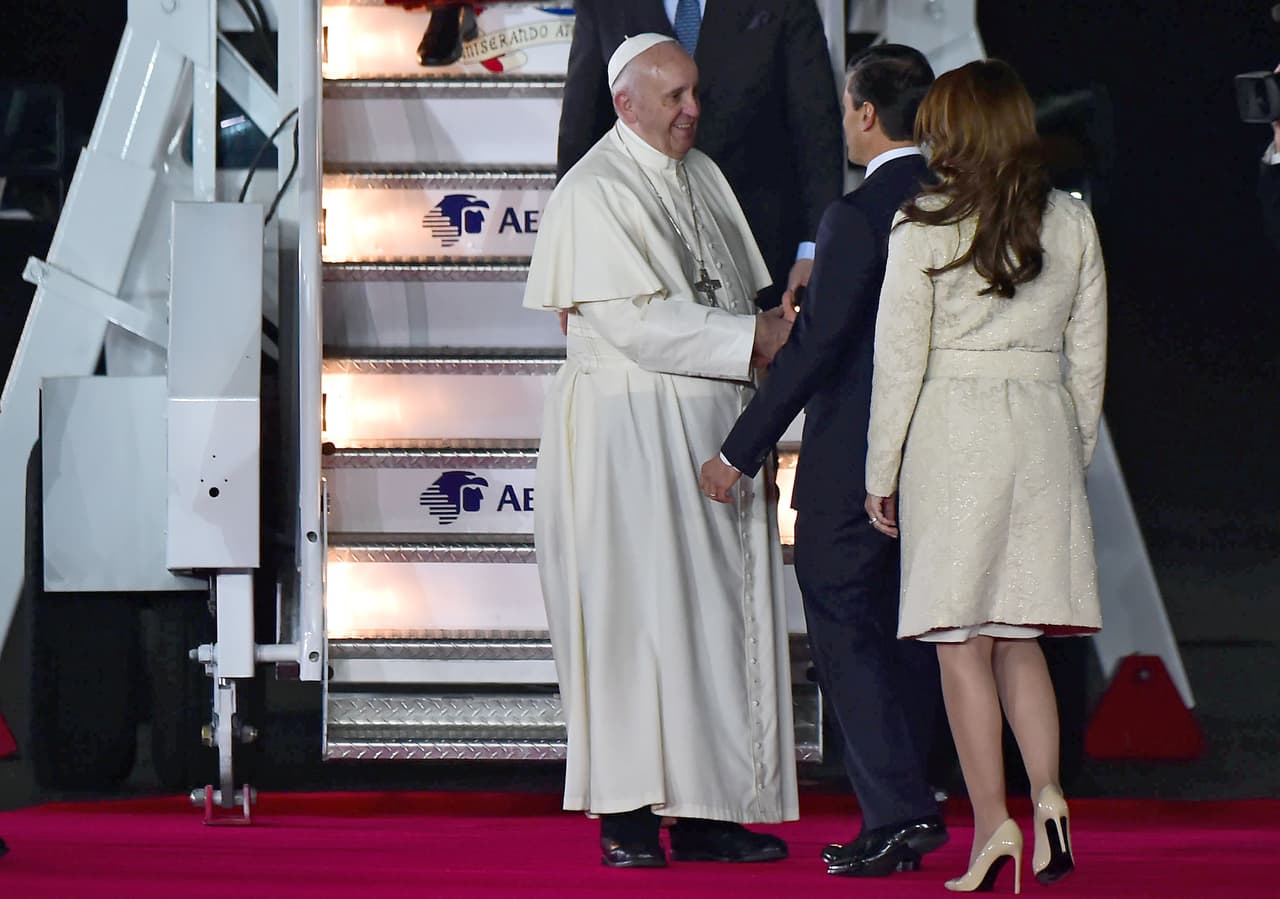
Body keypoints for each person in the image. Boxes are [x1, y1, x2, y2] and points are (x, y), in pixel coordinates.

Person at [524, 33, 797, 869]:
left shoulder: (703, 174)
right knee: (633, 622)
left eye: (694, 93)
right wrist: (753, 337)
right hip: (628, 437)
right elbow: (633, 324)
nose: (692, 110)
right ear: (625, 103)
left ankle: (711, 810)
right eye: (675, 97)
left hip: (709, 431)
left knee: (713, 625)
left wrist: (763, 331)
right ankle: (628, 817)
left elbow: (733, 285)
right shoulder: (591, 192)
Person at [699, 44, 947, 878]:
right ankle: (918, 798)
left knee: (845, 631)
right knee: (916, 637)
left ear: (866, 113)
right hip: (938, 460)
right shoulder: (956, 202)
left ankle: (897, 815)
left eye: (845, 107)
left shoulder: (858, 215)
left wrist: (738, 450)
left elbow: (815, 350)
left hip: (849, 467)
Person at [864, 59, 1106, 893]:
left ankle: (993, 825)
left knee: (960, 643)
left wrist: (881, 470)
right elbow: (1089, 362)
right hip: (1041, 429)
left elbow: (898, 362)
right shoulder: (1072, 220)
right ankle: (1048, 794)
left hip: (953, 433)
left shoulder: (922, 223)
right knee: (1019, 636)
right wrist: (1069, 455)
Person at [557, 0, 844, 309]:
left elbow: (816, 130)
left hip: (762, 251)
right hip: (638, 255)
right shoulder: (603, 5)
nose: (691, 109)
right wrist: (571, 265)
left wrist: (814, 250)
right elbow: (581, 129)